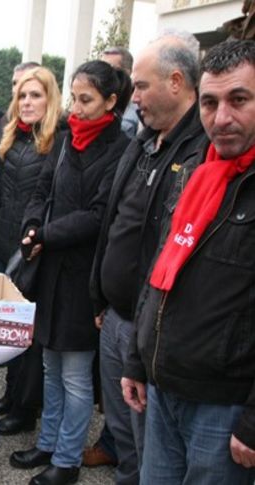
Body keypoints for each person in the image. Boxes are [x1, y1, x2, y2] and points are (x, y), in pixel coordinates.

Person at [122, 39, 255, 485]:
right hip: (163, 389)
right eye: (210, 102)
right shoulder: (197, 170)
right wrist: (139, 361)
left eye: (239, 100)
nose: (221, 118)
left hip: (224, 407)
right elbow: (161, 268)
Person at [87, 33, 206, 483]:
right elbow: (115, 222)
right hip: (115, 316)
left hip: (148, 324)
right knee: (122, 430)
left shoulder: (199, 151)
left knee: (150, 443)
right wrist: (99, 293)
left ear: (176, 82)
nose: (133, 97)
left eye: (140, 86)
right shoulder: (142, 139)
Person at [9, 60, 131, 485]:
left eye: (86, 100)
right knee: (49, 365)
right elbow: (42, 190)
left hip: (84, 275)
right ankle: (48, 442)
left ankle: (67, 459)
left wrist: (46, 233)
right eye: (74, 98)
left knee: (76, 375)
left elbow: (99, 215)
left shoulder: (121, 148)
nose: (75, 109)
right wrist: (29, 226)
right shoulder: (64, 139)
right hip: (49, 268)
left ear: (111, 101)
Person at [0, 67, 63, 436]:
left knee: (28, 337)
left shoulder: (58, 142)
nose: (27, 102)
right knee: (8, 331)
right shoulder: (12, 137)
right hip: (2, 247)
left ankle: (25, 410)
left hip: (34, 253)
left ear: (50, 99)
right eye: (23, 96)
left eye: (36, 96)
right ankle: (10, 397)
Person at [100, 46, 139, 138]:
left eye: (111, 69)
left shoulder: (139, 107)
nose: (102, 74)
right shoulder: (95, 102)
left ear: (128, 72)